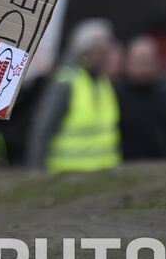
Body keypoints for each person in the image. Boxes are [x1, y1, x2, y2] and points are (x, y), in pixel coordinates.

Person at [27, 20, 121, 172]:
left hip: (103, 177)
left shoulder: (104, 82)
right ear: (85, 53)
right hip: (66, 176)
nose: (106, 56)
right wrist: (37, 173)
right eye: (101, 52)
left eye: (107, 51)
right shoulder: (66, 83)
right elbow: (42, 131)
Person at [115, 35, 166, 161]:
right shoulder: (114, 98)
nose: (143, 65)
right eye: (139, 60)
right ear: (127, 62)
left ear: (157, 62)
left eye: (147, 59)